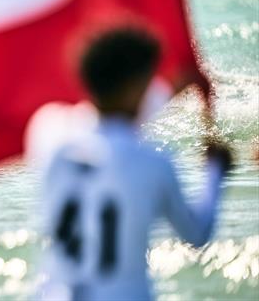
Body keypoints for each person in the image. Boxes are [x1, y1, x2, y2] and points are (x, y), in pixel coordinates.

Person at [37, 27, 232, 301]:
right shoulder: (154, 163)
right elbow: (197, 234)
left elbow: (113, 121)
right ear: (136, 87)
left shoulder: (51, 139)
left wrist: (171, 89)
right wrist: (215, 169)